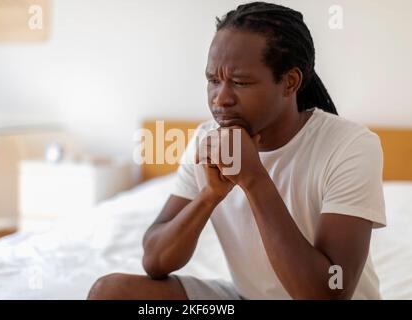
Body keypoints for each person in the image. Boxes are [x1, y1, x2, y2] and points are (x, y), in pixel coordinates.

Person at [87, 1, 386, 300]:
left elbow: (328, 293)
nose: (221, 99)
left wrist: (254, 179)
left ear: (290, 82)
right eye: (213, 81)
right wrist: (210, 195)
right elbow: (154, 261)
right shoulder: (207, 141)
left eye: (240, 82)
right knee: (111, 293)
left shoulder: (350, 145)